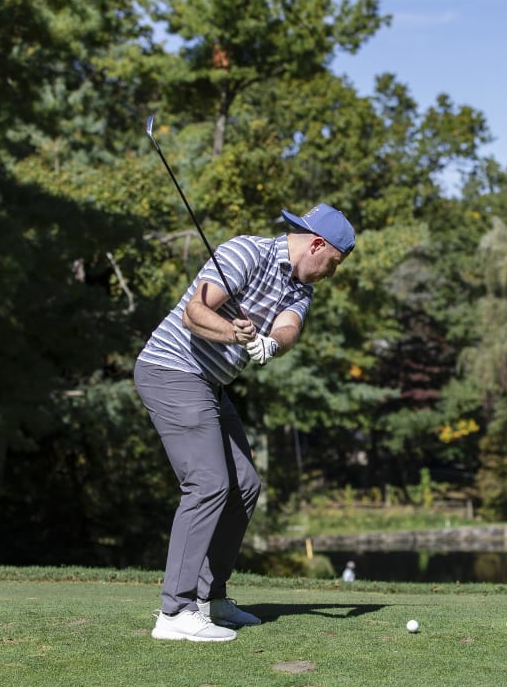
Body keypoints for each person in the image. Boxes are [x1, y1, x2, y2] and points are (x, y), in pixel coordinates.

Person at [135, 204, 356, 642]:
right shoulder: (245, 253)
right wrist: (232, 332)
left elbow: (290, 327)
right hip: (171, 370)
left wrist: (271, 344)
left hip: (209, 383)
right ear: (316, 245)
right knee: (207, 482)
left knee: (245, 485)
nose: (330, 273)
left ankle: (210, 597)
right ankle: (175, 611)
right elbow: (194, 314)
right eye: (332, 263)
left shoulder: (300, 288)